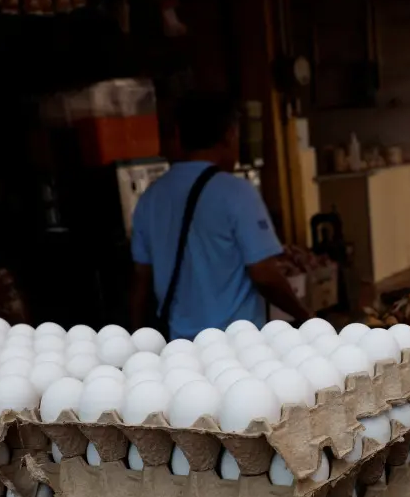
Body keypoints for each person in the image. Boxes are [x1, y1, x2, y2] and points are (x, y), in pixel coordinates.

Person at [129, 91, 309, 338]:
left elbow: (142, 284)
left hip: (181, 346)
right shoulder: (236, 192)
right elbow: (265, 276)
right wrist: (307, 319)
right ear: (230, 134)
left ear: (179, 136)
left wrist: (139, 340)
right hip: (236, 344)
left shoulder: (150, 198)